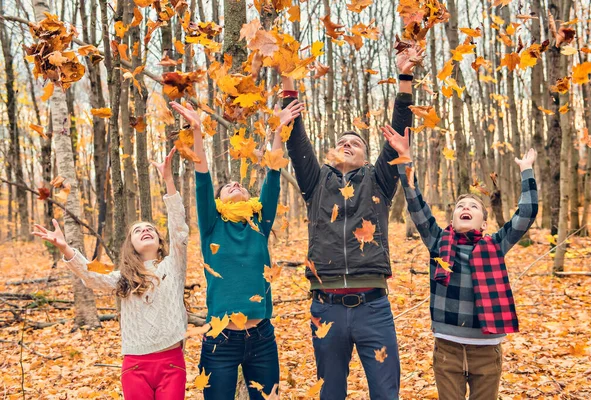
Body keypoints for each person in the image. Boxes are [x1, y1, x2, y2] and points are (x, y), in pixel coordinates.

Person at [276, 44, 423, 399]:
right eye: (340, 141)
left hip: (373, 307)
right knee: (331, 394)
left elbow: (400, 135)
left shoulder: (378, 181)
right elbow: (296, 142)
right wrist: (286, 78)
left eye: (354, 142)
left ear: (366, 154)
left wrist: (405, 77)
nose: (346, 144)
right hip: (326, 308)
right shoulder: (316, 182)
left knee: (386, 393)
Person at [383, 123, 538, 399]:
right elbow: (415, 201)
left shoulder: (496, 244)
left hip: (486, 350)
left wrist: (526, 170)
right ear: (452, 218)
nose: (466, 208)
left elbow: (526, 214)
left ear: (485, 222)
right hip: (448, 350)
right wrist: (404, 158)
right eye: (460, 206)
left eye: (474, 206)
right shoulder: (437, 241)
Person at [32, 147, 190, 400]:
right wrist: (65, 247)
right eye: (138, 231)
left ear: (161, 242)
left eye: (150, 228)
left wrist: (169, 181)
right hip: (135, 366)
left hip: (171, 362)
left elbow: (179, 229)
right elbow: (92, 277)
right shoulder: (124, 278)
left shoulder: (172, 266)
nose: (145, 231)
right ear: (131, 245)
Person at [171, 101, 303, 399]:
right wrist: (196, 132)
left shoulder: (259, 223)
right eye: (227, 186)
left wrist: (279, 131)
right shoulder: (211, 226)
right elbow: (202, 179)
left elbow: (272, 177)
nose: (234, 183)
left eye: (239, 184)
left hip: (262, 338)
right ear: (218, 202)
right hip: (220, 339)